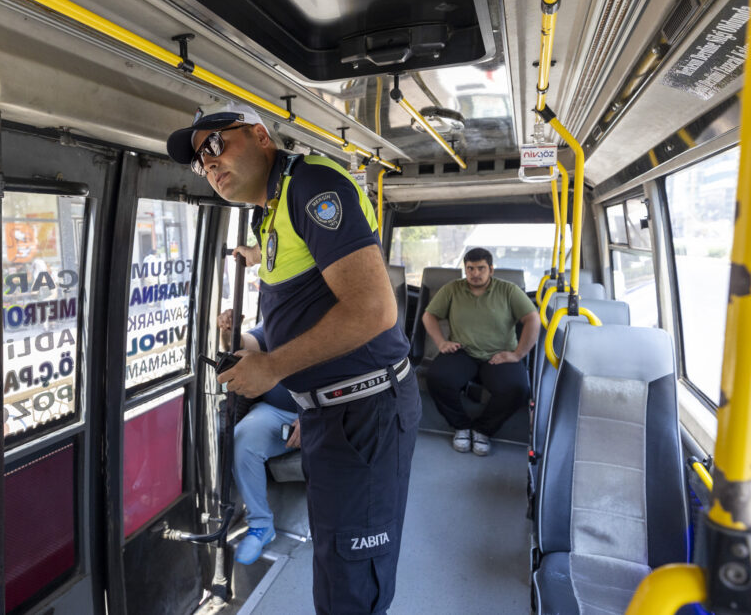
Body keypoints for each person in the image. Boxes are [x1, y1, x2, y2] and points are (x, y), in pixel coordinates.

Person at [167, 101, 420, 614]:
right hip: (327, 410)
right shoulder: (269, 213)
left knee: (353, 578)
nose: (209, 163)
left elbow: (374, 310)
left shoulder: (311, 187)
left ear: (262, 137)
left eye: (215, 144)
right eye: (199, 161)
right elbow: (293, 309)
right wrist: (258, 344)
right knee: (333, 560)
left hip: (364, 411)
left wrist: (275, 368)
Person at [421, 247, 539, 455]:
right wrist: (441, 343)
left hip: (499, 354)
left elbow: (532, 319)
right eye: (470, 269)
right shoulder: (452, 289)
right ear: (465, 269)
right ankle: (461, 426)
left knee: (518, 388)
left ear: (491, 270)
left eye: (481, 268)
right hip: (462, 351)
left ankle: (483, 429)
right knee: (437, 378)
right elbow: (428, 316)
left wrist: (518, 354)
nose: (475, 274)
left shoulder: (508, 290)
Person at [217, 309, 300, 566]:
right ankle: (261, 524)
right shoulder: (281, 316)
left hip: (325, 410)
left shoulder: (336, 320)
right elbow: (249, 345)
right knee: (243, 438)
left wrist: (315, 417)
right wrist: (229, 332)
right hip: (277, 411)